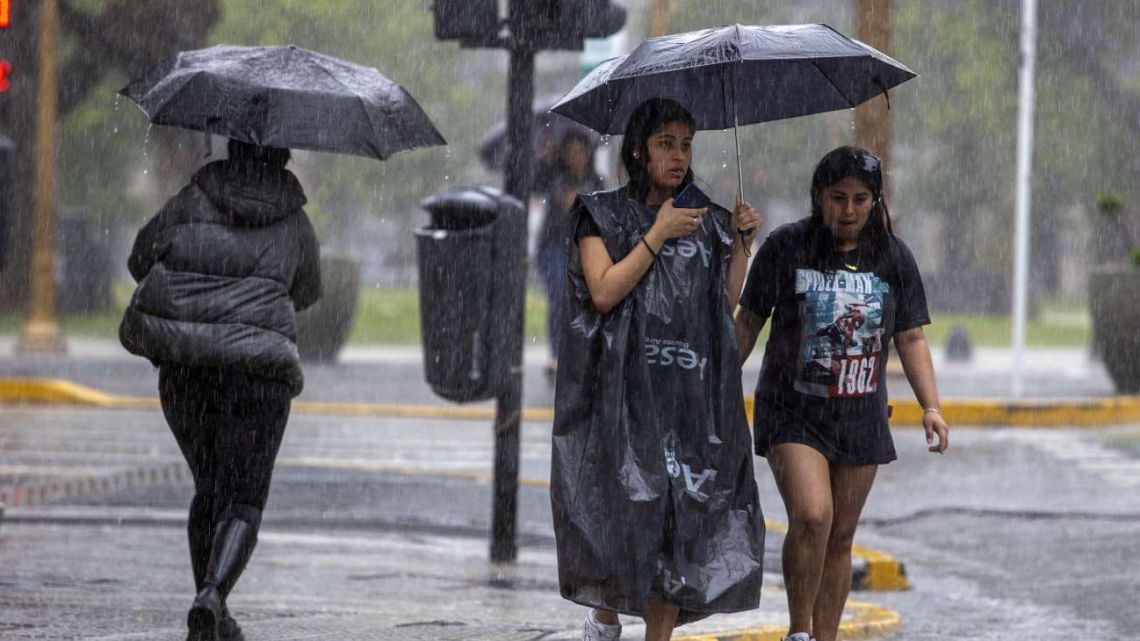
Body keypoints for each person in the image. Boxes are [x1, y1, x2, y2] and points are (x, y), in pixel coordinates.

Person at [550, 97, 765, 641]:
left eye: (686, 144)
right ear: (640, 151)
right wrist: (658, 234)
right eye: (666, 143)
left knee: (675, 531)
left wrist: (740, 248)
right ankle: (604, 614)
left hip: (685, 407)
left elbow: (721, 307)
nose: (678, 155)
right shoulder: (599, 214)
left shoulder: (706, 220)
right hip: (619, 403)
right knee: (624, 521)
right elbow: (603, 293)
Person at [734, 146, 950, 641]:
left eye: (860, 199)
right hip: (792, 409)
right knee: (812, 515)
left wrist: (931, 407)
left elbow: (911, 337)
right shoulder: (787, 247)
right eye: (837, 198)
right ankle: (798, 631)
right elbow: (748, 322)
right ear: (818, 196)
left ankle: (823, 636)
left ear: (875, 201)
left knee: (841, 535)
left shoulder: (893, 257)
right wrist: (718, 384)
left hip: (860, 414)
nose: (848, 211)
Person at [119, 139, 321, 641]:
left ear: (230, 148)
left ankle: (210, 612)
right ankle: (212, 594)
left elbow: (140, 258)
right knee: (244, 496)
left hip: (188, 372)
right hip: (259, 377)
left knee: (209, 487)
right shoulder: (295, 223)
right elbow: (308, 290)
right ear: (283, 156)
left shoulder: (189, 200)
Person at [534, 130, 606, 381]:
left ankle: (581, 353)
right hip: (554, 245)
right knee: (559, 295)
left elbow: (602, 213)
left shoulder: (595, 181)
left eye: (581, 151)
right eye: (571, 152)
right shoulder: (554, 175)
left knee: (585, 299)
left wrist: (581, 204)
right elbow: (533, 184)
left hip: (584, 247)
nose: (576, 157)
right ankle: (556, 355)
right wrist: (545, 157)